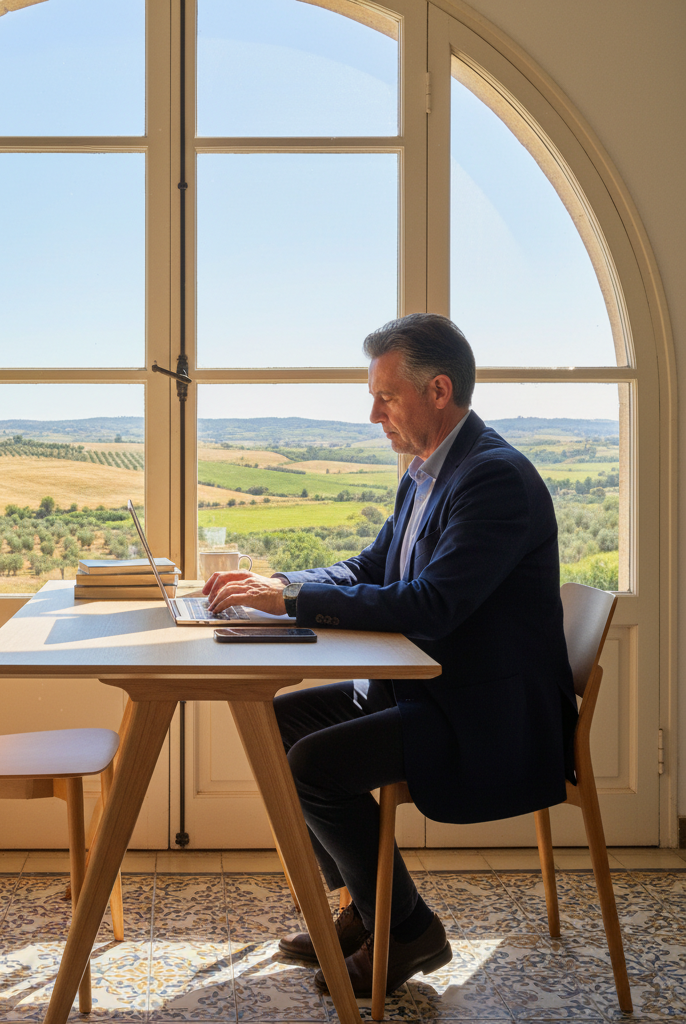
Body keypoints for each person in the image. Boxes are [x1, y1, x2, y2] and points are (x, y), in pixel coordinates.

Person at [202, 313, 577, 996]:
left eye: (385, 396)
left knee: (316, 764)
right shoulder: (426, 471)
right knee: (279, 723)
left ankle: (408, 930)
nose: (373, 413)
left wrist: (288, 605)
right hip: (427, 688)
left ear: (438, 391)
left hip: (481, 710)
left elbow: (431, 604)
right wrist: (284, 584)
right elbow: (376, 566)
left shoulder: (492, 479)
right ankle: (365, 912)